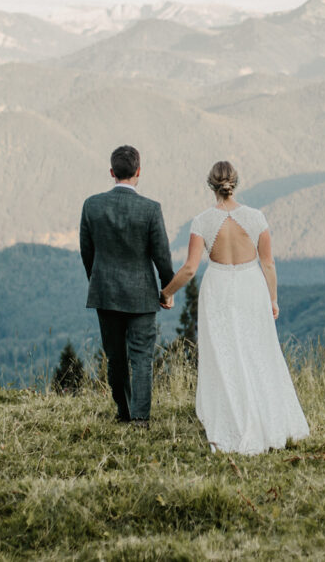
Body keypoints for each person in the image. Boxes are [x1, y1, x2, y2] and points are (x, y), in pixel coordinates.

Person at [161, 161, 309, 454]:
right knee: (257, 349)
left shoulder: (202, 221)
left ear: (211, 185)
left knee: (223, 351)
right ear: (235, 183)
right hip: (251, 286)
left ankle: (231, 413)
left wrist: (166, 292)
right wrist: (273, 299)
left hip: (217, 288)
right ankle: (265, 413)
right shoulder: (256, 218)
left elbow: (190, 269)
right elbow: (268, 263)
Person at [80, 145, 175, 428]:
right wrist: (167, 290)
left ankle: (123, 412)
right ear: (138, 172)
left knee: (115, 358)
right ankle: (140, 418)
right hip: (142, 295)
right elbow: (162, 256)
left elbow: (87, 252)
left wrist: (98, 282)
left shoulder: (92, 205)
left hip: (105, 292)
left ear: (111, 172)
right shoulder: (150, 209)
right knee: (142, 358)